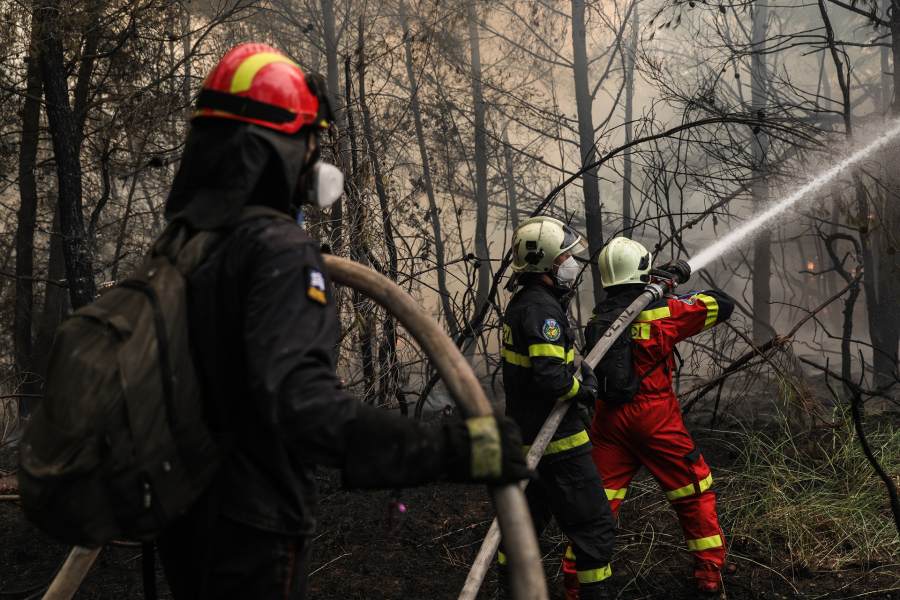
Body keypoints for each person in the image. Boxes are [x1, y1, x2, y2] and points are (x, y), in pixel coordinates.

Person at [157, 43, 530, 600]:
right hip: (251, 527)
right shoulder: (276, 251)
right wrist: (454, 449)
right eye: (310, 140)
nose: (315, 158)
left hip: (185, 519)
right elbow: (304, 406)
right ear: (278, 147)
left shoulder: (184, 247)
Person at [562, 237, 735, 597]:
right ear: (643, 270)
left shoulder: (598, 317)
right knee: (694, 491)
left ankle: (576, 587)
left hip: (608, 422)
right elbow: (722, 303)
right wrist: (670, 283)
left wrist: (655, 285)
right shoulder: (664, 312)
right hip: (655, 419)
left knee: (596, 506)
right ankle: (708, 576)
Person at [499, 217, 616, 600]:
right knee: (594, 526)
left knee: (523, 527)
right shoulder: (541, 311)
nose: (571, 262)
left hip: (527, 437)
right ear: (547, 262)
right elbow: (551, 379)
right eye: (565, 255)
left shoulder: (526, 303)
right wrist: (584, 390)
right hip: (557, 443)